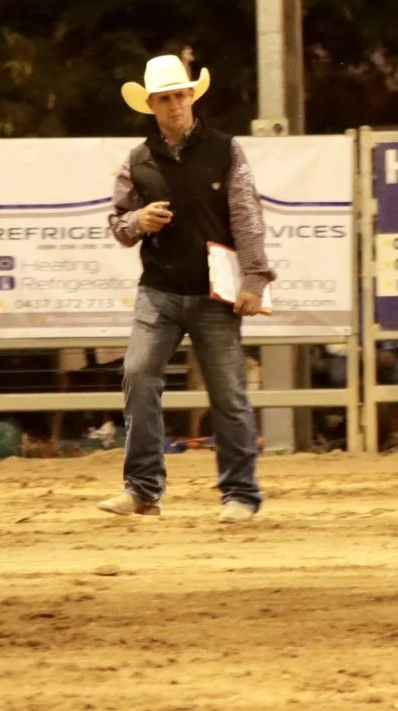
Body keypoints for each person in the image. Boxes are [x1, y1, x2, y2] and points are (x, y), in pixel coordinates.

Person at [98, 54, 275, 522]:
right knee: (137, 375)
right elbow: (118, 225)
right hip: (159, 289)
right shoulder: (138, 161)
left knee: (229, 393)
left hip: (214, 292)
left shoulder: (225, 149)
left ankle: (239, 493)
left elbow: (246, 217)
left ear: (192, 97)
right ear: (151, 105)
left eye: (180, 95)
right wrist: (139, 220)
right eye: (165, 98)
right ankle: (142, 491)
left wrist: (255, 280)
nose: (175, 105)